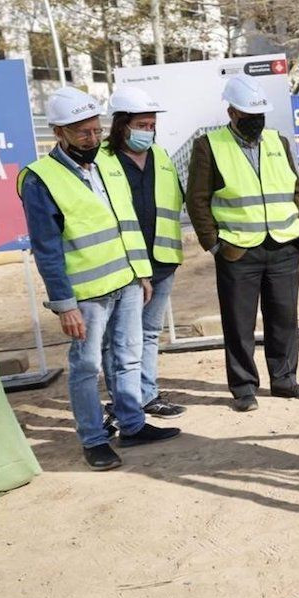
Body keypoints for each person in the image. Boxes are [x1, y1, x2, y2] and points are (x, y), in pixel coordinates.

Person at [17, 87, 181, 471]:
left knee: (127, 357)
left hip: (125, 282)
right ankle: (93, 439)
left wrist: (141, 273)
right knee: (87, 368)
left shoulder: (105, 166)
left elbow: (127, 223)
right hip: (86, 295)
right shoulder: (40, 180)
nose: (92, 139)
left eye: (95, 130)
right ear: (59, 133)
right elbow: (47, 249)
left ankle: (133, 424)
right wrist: (64, 305)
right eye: (82, 133)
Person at [186, 75, 299, 411]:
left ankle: (284, 380)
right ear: (232, 113)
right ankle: (243, 387)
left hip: (284, 245)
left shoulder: (277, 141)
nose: (256, 121)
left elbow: (295, 187)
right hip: (238, 250)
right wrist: (214, 245)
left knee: (284, 316)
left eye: (260, 115)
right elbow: (197, 200)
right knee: (239, 322)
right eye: (248, 115)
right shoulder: (208, 146)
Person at [99, 86, 187, 427]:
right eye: (141, 124)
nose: (147, 131)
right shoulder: (102, 161)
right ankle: (122, 401)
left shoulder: (161, 157)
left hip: (162, 259)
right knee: (119, 339)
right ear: (122, 124)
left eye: (151, 125)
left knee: (150, 333)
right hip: (125, 264)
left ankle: (148, 395)